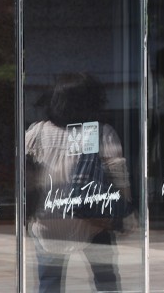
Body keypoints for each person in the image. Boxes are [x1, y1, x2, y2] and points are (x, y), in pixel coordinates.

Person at [25, 73, 132, 293]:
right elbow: (117, 174)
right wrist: (126, 209)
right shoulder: (100, 132)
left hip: (48, 221)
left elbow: (26, 174)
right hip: (93, 221)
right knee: (106, 280)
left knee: (49, 283)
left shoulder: (37, 132)